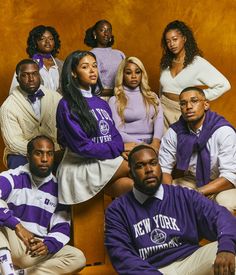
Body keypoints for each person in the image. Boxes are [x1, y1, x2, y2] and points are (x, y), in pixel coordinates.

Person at [105, 144, 236, 275]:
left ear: (160, 167)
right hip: (151, 269)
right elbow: (121, 255)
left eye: (153, 163)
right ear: (131, 173)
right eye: (140, 166)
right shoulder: (117, 210)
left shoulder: (183, 195)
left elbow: (221, 216)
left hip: (190, 261)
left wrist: (227, 247)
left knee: (229, 254)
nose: (149, 169)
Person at [0, 135, 86, 275]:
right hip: (11, 242)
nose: (45, 159)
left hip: (35, 248)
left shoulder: (59, 188)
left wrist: (48, 245)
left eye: (49, 154)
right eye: (38, 153)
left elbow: (61, 226)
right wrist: (17, 226)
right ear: (28, 156)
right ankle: (7, 270)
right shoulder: (12, 177)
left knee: (77, 258)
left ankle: (21, 274)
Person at [56, 50, 133, 205]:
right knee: (137, 165)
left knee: (134, 186)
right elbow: (82, 147)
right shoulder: (66, 104)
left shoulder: (102, 103)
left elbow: (115, 135)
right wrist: (117, 150)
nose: (92, 71)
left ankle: (124, 225)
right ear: (73, 73)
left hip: (104, 161)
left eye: (95, 66)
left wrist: (119, 148)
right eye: (85, 67)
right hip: (81, 165)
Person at [159, 87, 236, 213]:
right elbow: (164, 169)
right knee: (164, 194)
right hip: (193, 180)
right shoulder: (174, 132)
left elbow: (230, 176)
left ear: (205, 105)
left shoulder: (223, 131)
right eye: (183, 103)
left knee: (223, 204)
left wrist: (198, 193)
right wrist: (170, 195)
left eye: (194, 101)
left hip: (224, 184)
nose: (188, 106)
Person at [159, 20, 231, 130]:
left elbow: (224, 85)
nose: (171, 44)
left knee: (184, 144)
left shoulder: (197, 62)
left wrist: (197, 99)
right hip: (162, 111)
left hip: (184, 112)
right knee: (162, 145)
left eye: (175, 39)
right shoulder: (166, 62)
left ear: (184, 38)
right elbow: (162, 87)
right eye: (168, 41)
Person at [0, 59, 61, 169]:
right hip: (22, 152)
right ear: (18, 79)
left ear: (39, 75)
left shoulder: (55, 97)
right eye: (25, 75)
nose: (31, 79)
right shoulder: (8, 107)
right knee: (18, 165)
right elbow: (14, 143)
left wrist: (55, 150)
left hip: (55, 149)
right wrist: (41, 153)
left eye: (34, 74)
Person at [109, 56, 164, 159]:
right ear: (122, 75)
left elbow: (159, 119)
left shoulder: (152, 96)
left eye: (137, 72)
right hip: (131, 145)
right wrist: (143, 146)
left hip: (154, 143)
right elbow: (117, 131)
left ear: (142, 74)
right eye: (128, 73)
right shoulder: (115, 100)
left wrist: (156, 142)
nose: (134, 76)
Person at [10, 25, 63, 94]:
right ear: (35, 42)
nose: (47, 42)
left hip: (60, 104)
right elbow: (14, 92)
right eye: (42, 39)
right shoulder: (26, 66)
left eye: (51, 39)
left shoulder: (62, 64)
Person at [84, 19, 125, 98]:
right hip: (103, 98)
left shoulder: (120, 54)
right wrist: (115, 91)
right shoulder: (91, 55)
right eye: (102, 30)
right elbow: (94, 88)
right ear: (95, 33)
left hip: (121, 98)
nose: (106, 33)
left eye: (109, 30)